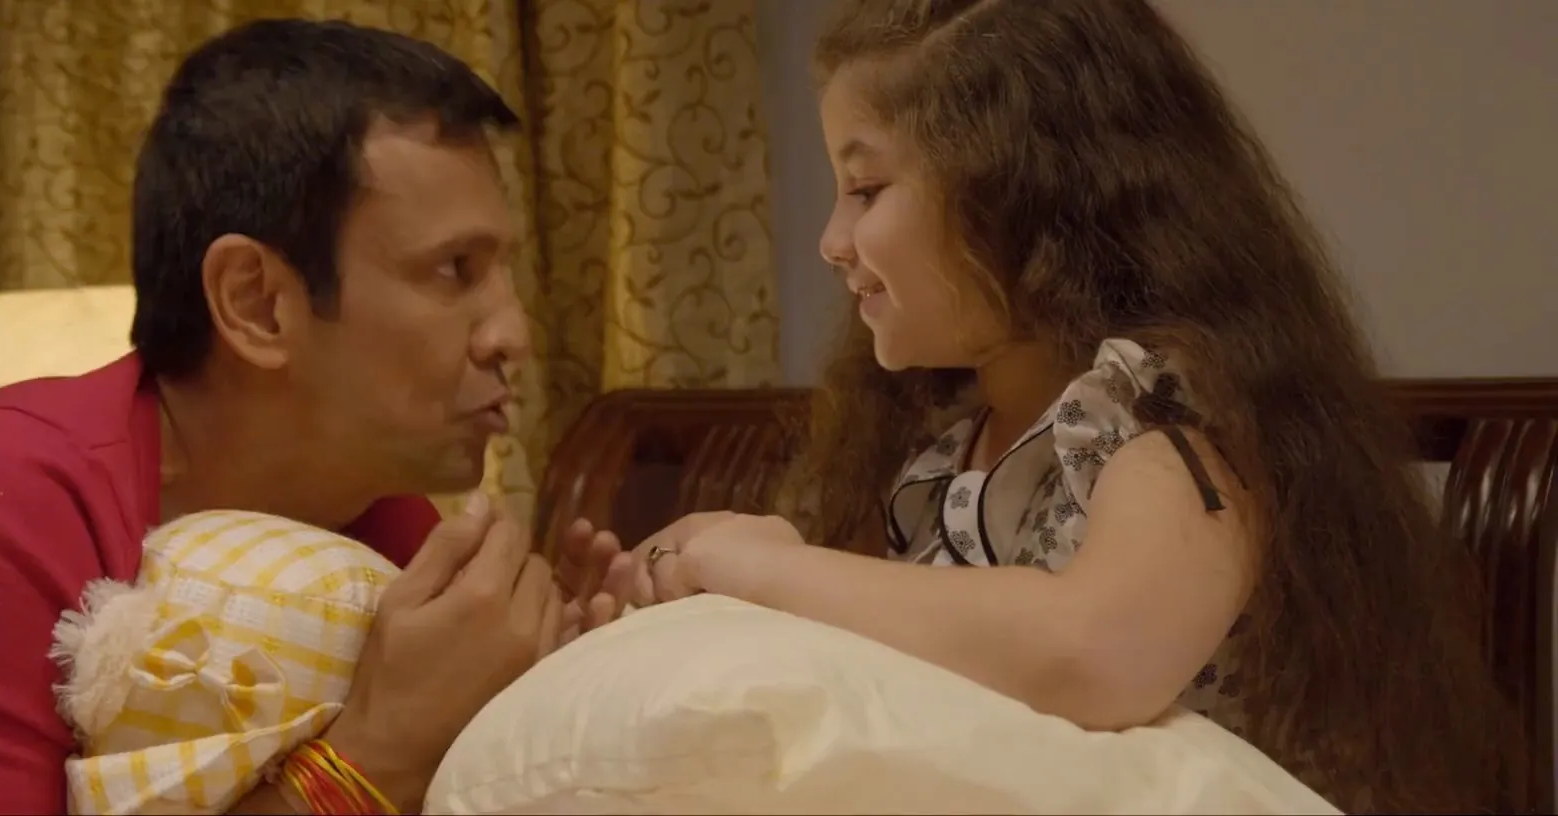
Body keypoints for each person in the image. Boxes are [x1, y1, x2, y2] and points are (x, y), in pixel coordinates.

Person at [557, 0, 1522, 812]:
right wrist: (689, 592)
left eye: (866, 188)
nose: (833, 240)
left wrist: (767, 570)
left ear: (1020, 192)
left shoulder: (1173, 405)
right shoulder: (930, 446)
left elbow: (1099, 651)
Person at [0, 19, 571, 814]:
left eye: (503, 274)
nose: (513, 335)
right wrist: (373, 760)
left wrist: (575, 673)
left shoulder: (379, 524)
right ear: (256, 304)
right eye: (455, 271)